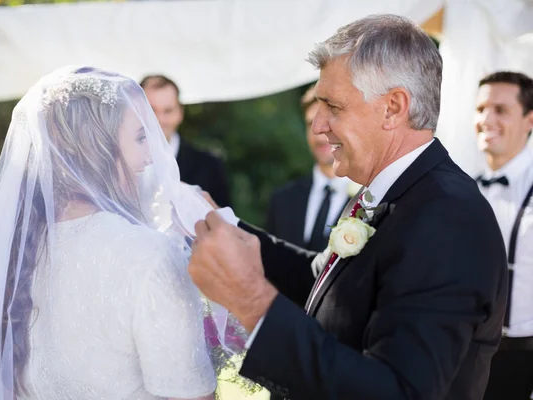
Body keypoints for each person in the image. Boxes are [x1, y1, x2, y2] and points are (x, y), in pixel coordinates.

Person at [189, 14, 508, 399]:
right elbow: (325, 287)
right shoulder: (388, 190)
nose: (317, 126)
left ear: (393, 107)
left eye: (333, 106)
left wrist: (252, 302)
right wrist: (219, 223)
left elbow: (398, 391)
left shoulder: (447, 218)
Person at [0, 66, 246, 399]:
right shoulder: (151, 256)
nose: (152, 153)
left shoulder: (19, 252)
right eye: (141, 137)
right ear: (101, 147)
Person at [474, 71, 533, 400]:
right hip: (465, 357)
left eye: (500, 110)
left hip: (522, 360)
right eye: (481, 108)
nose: (486, 119)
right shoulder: (463, 188)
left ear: (529, 120)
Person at [266, 84, 352, 251]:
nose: (319, 135)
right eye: (311, 123)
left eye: (327, 123)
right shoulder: (282, 200)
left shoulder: (371, 198)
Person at [140, 75, 231, 207]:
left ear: (180, 113)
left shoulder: (209, 166)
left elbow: (227, 223)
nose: (159, 120)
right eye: (151, 110)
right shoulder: (114, 162)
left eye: (168, 111)